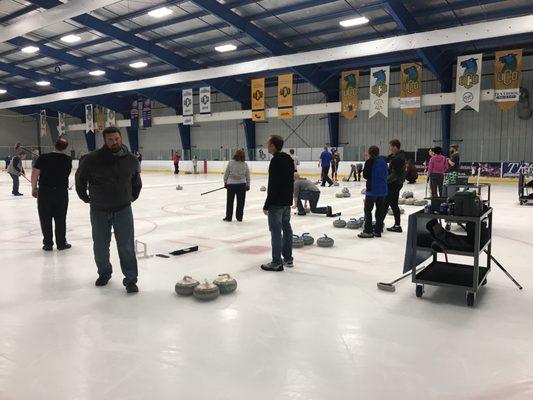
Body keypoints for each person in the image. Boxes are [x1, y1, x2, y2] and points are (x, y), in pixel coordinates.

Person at [75, 127, 142, 294]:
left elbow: (136, 181)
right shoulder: (91, 159)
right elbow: (80, 180)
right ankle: (104, 273)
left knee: (126, 246)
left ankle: (131, 280)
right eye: (111, 139)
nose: (115, 142)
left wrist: (131, 197)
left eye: (117, 138)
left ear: (121, 138)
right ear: (105, 140)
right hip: (99, 210)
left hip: (123, 209)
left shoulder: (131, 159)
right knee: (100, 245)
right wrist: (86, 198)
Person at [31, 137, 72, 251]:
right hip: (61, 192)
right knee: (60, 218)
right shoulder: (68, 159)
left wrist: (33, 188)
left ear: (54, 145)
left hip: (45, 192)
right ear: (65, 148)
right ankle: (61, 243)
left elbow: (35, 174)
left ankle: (48, 244)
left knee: (45, 218)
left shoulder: (43, 158)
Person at [261, 135, 294, 272]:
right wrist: (290, 198)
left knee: (275, 231)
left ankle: (276, 262)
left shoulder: (275, 161)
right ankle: (288, 258)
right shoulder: (288, 159)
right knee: (286, 228)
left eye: (268, 144)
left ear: (273, 146)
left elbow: (273, 184)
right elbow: (291, 180)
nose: (267, 146)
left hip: (276, 203)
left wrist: (267, 204)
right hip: (286, 201)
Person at [359, 146, 388, 239]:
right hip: (382, 190)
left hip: (372, 190)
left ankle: (368, 231)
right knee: (379, 210)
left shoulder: (369, 162)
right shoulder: (383, 162)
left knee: (368, 210)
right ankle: (378, 231)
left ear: (370, 153)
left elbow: (366, 175)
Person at [381, 139, 406, 233]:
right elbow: (388, 158)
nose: (389, 148)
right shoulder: (398, 156)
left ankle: (397, 225)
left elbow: (394, 175)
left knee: (391, 204)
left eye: (390, 146)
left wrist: (385, 181)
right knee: (387, 204)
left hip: (394, 184)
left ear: (395, 147)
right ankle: (381, 223)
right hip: (395, 184)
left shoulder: (398, 159)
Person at [223, 149, 250, 222]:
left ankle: (228, 217)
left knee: (230, 202)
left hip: (231, 185)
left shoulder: (231, 162)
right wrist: (248, 185)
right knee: (241, 202)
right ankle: (239, 217)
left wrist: (225, 182)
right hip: (241, 185)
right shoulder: (245, 164)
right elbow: (247, 176)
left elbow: (226, 173)